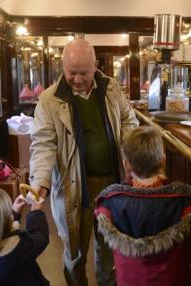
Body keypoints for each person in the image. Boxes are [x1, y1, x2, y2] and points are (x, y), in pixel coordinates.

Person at [29, 39, 139, 286]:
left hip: (112, 186)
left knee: (109, 248)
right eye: (71, 73)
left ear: (96, 66)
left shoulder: (111, 88)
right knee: (75, 253)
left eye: (83, 73)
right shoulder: (49, 100)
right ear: (63, 66)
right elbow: (43, 145)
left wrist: (131, 149)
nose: (77, 79)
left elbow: (128, 120)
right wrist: (40, 182)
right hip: (73, 188)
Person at [94, 127, 191, 286]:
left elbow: (100, 215)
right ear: (163, 161)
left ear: (126, 165)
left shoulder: (110, 201)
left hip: (129, 280)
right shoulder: (184, 200)